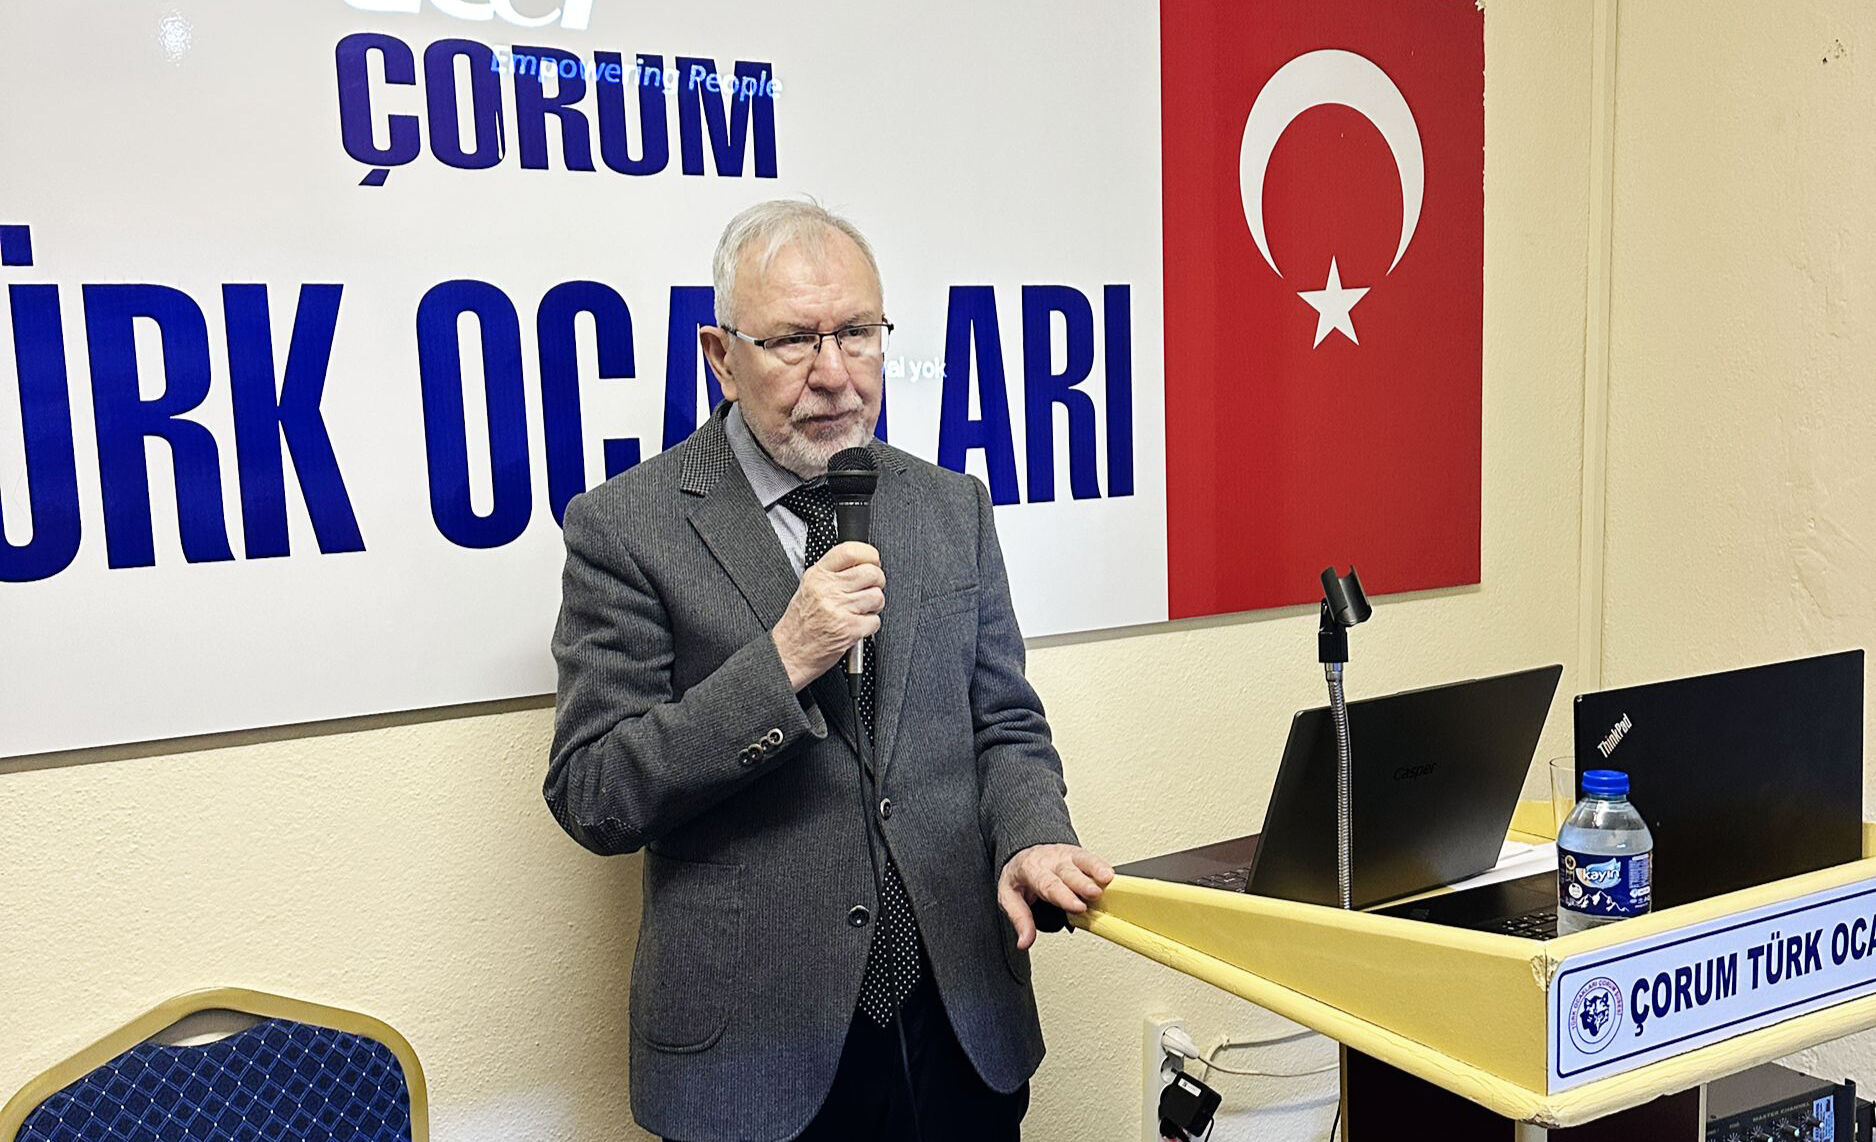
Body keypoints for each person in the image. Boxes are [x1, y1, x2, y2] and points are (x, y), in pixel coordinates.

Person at [544, 199, 1112, 1142]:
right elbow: (594, 791)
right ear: (722, 357)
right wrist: (782, 662)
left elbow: (1004, 723)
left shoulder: (950, 507)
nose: (836, 374)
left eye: (857, 332)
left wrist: (1031, 835)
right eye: (794, 342)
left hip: (959, 1024)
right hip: (755, 1055)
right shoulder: (625, 528)